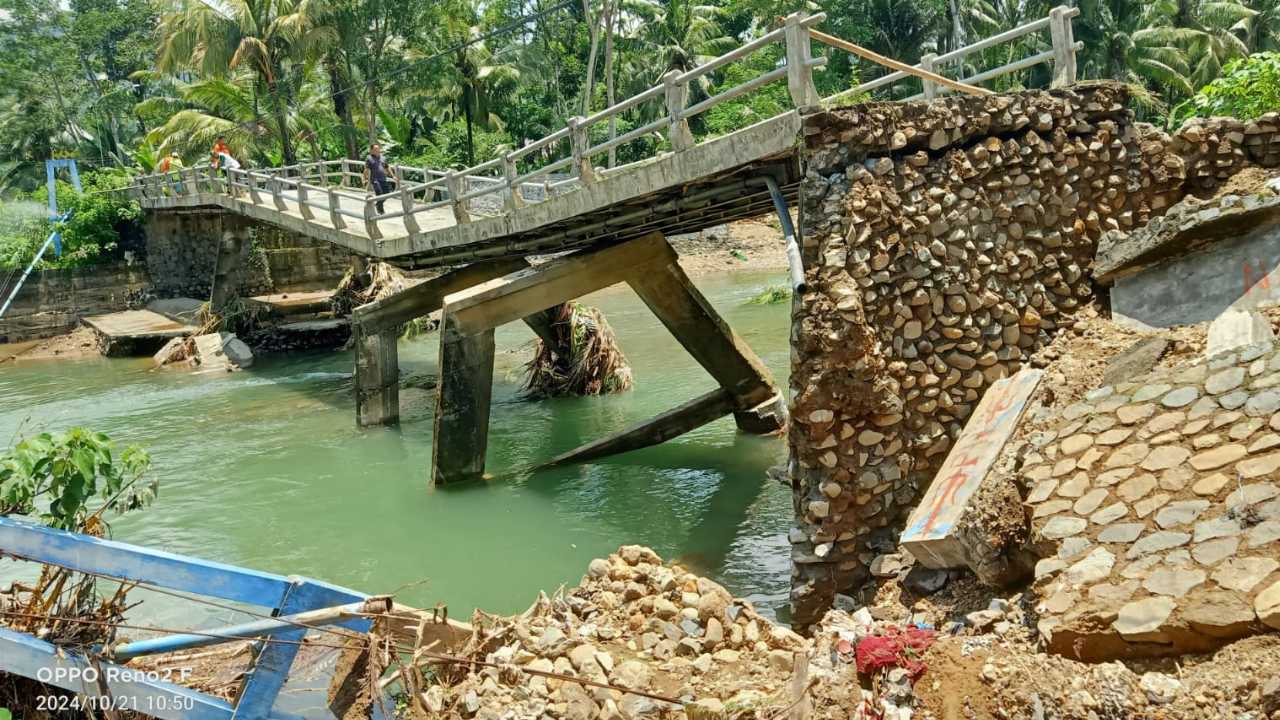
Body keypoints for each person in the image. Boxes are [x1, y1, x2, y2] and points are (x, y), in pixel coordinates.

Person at [362, 143, 397, 214]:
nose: (377, 150)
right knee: (379, 193)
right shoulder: (369, 158)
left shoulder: (383, 158)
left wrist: (393, 176)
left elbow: (387, 167)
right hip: (375, 179)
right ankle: (380, 209)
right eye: (375, 149)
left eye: (378, 149)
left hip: (383, 179)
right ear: (371, 150)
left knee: (387, 194)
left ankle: (378, 204)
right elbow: (366, 169)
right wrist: (364, 179)